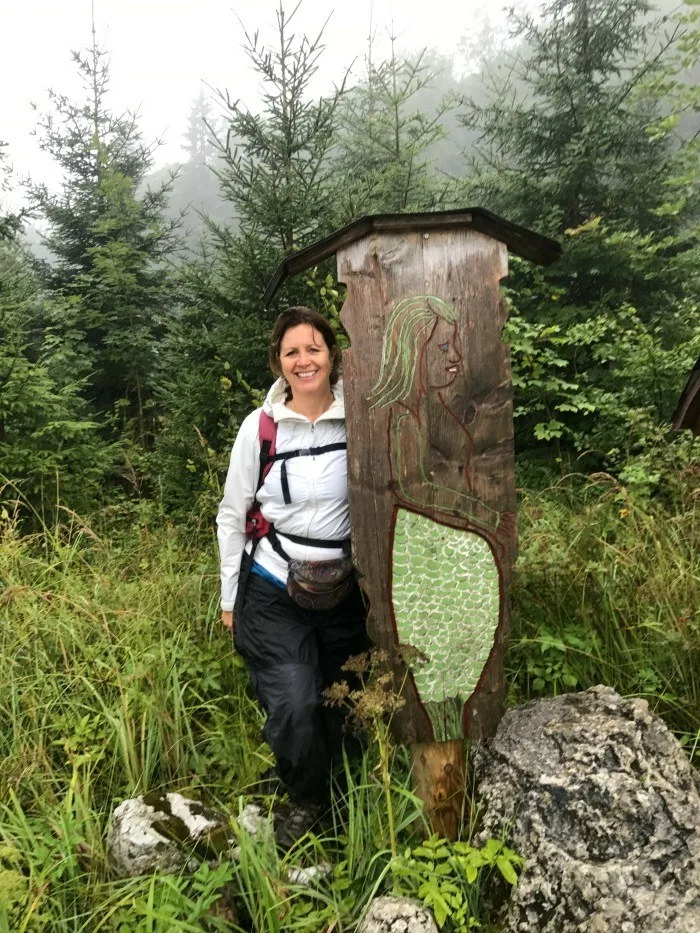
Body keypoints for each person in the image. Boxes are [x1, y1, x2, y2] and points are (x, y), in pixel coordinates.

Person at [217, 306, 370, 847]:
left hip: (344, 588)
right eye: (292, 352)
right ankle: (306, 799)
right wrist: (229, 598)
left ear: (332, 354)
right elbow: (232, 514)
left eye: (314, 348)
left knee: (345, 699)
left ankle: (348, 796)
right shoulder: (259, 428)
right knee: (294, 699)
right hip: (273, 584)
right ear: (279, 363)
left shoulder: (362, 417)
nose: (304, 361)